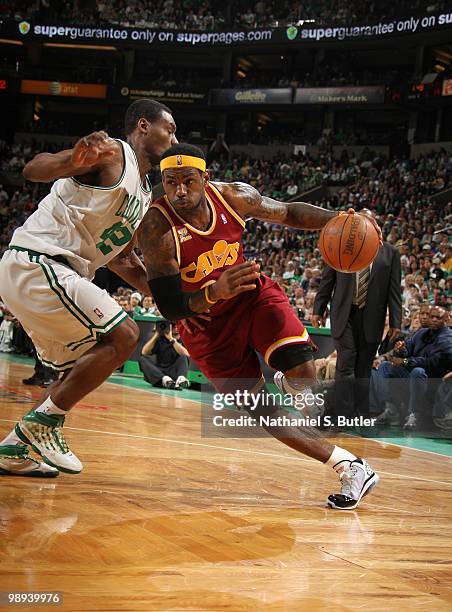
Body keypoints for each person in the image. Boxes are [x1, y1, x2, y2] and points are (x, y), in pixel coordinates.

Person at [137, 143, 382, 510]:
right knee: (263, 412)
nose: (180, 191)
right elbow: (170, 307)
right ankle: (349, 465)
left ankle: (289, 379)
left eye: (188, 181)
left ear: (205, 178)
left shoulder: (234, 197)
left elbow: (288, 213)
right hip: (202, 326)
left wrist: (341, 220)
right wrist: (213, 293)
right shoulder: (155, 227)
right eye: (171, 183)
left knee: (301, 369)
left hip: (250, 297)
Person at [0, 98, 177, 477]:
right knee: (125, 335)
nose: (174, 139)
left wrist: (173, 298)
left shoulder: (145, 192)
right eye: (170, 129)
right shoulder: (112, 152)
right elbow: (34, 169)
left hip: (54, 272)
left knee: (77, 370)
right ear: (144, 126)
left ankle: (14, 448)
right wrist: (71, 162)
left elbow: (123, 261)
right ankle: (42, 428)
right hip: (39, 260)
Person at [312, 215, 402, 418]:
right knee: (346, 361)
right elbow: (327, 281)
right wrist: (319, 308)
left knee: (363, 368)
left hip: (373, 316)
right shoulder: (339, 245)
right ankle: (343, 414)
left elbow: (394, 291)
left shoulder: (390, 253)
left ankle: (361, 414)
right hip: (344, 313)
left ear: (375, 227)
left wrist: (396, 321)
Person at [372, 306, 452, 429]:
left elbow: (432, 362)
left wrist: (405, 361)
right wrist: (402, 350)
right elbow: (408, 348)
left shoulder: (447, 337)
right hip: (414, 373)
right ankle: (391, 410)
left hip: (433, 378)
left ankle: (414, 414)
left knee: (417, 371)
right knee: (385, 366)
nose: (434, 320)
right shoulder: (421, 332)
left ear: (446, 319)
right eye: (432, 317)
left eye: (438, 317)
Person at [139, 321, 190, 389]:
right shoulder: (159, 339)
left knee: (183, 356)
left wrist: (171, 339)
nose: (176, 328)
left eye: (177, 326)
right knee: (142, 359)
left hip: (174, 372)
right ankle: (165, 380)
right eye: (174, 327)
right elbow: (144, 352)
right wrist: (156, 335)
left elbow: (186, 354)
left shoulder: (182, 338)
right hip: (160, 374)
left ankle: (181, 380)